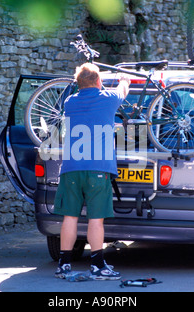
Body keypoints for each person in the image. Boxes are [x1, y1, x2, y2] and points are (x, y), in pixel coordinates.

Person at [53, 63, 130, 280]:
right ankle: (97, 265)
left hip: (71, 169)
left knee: (70, 217)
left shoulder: (69, 102)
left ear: (78, 84)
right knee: (96, 219)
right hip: (98, 169)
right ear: (98, 81)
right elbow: (123, 90)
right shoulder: (108, 99)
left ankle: (63, 265)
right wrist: (124, 80)